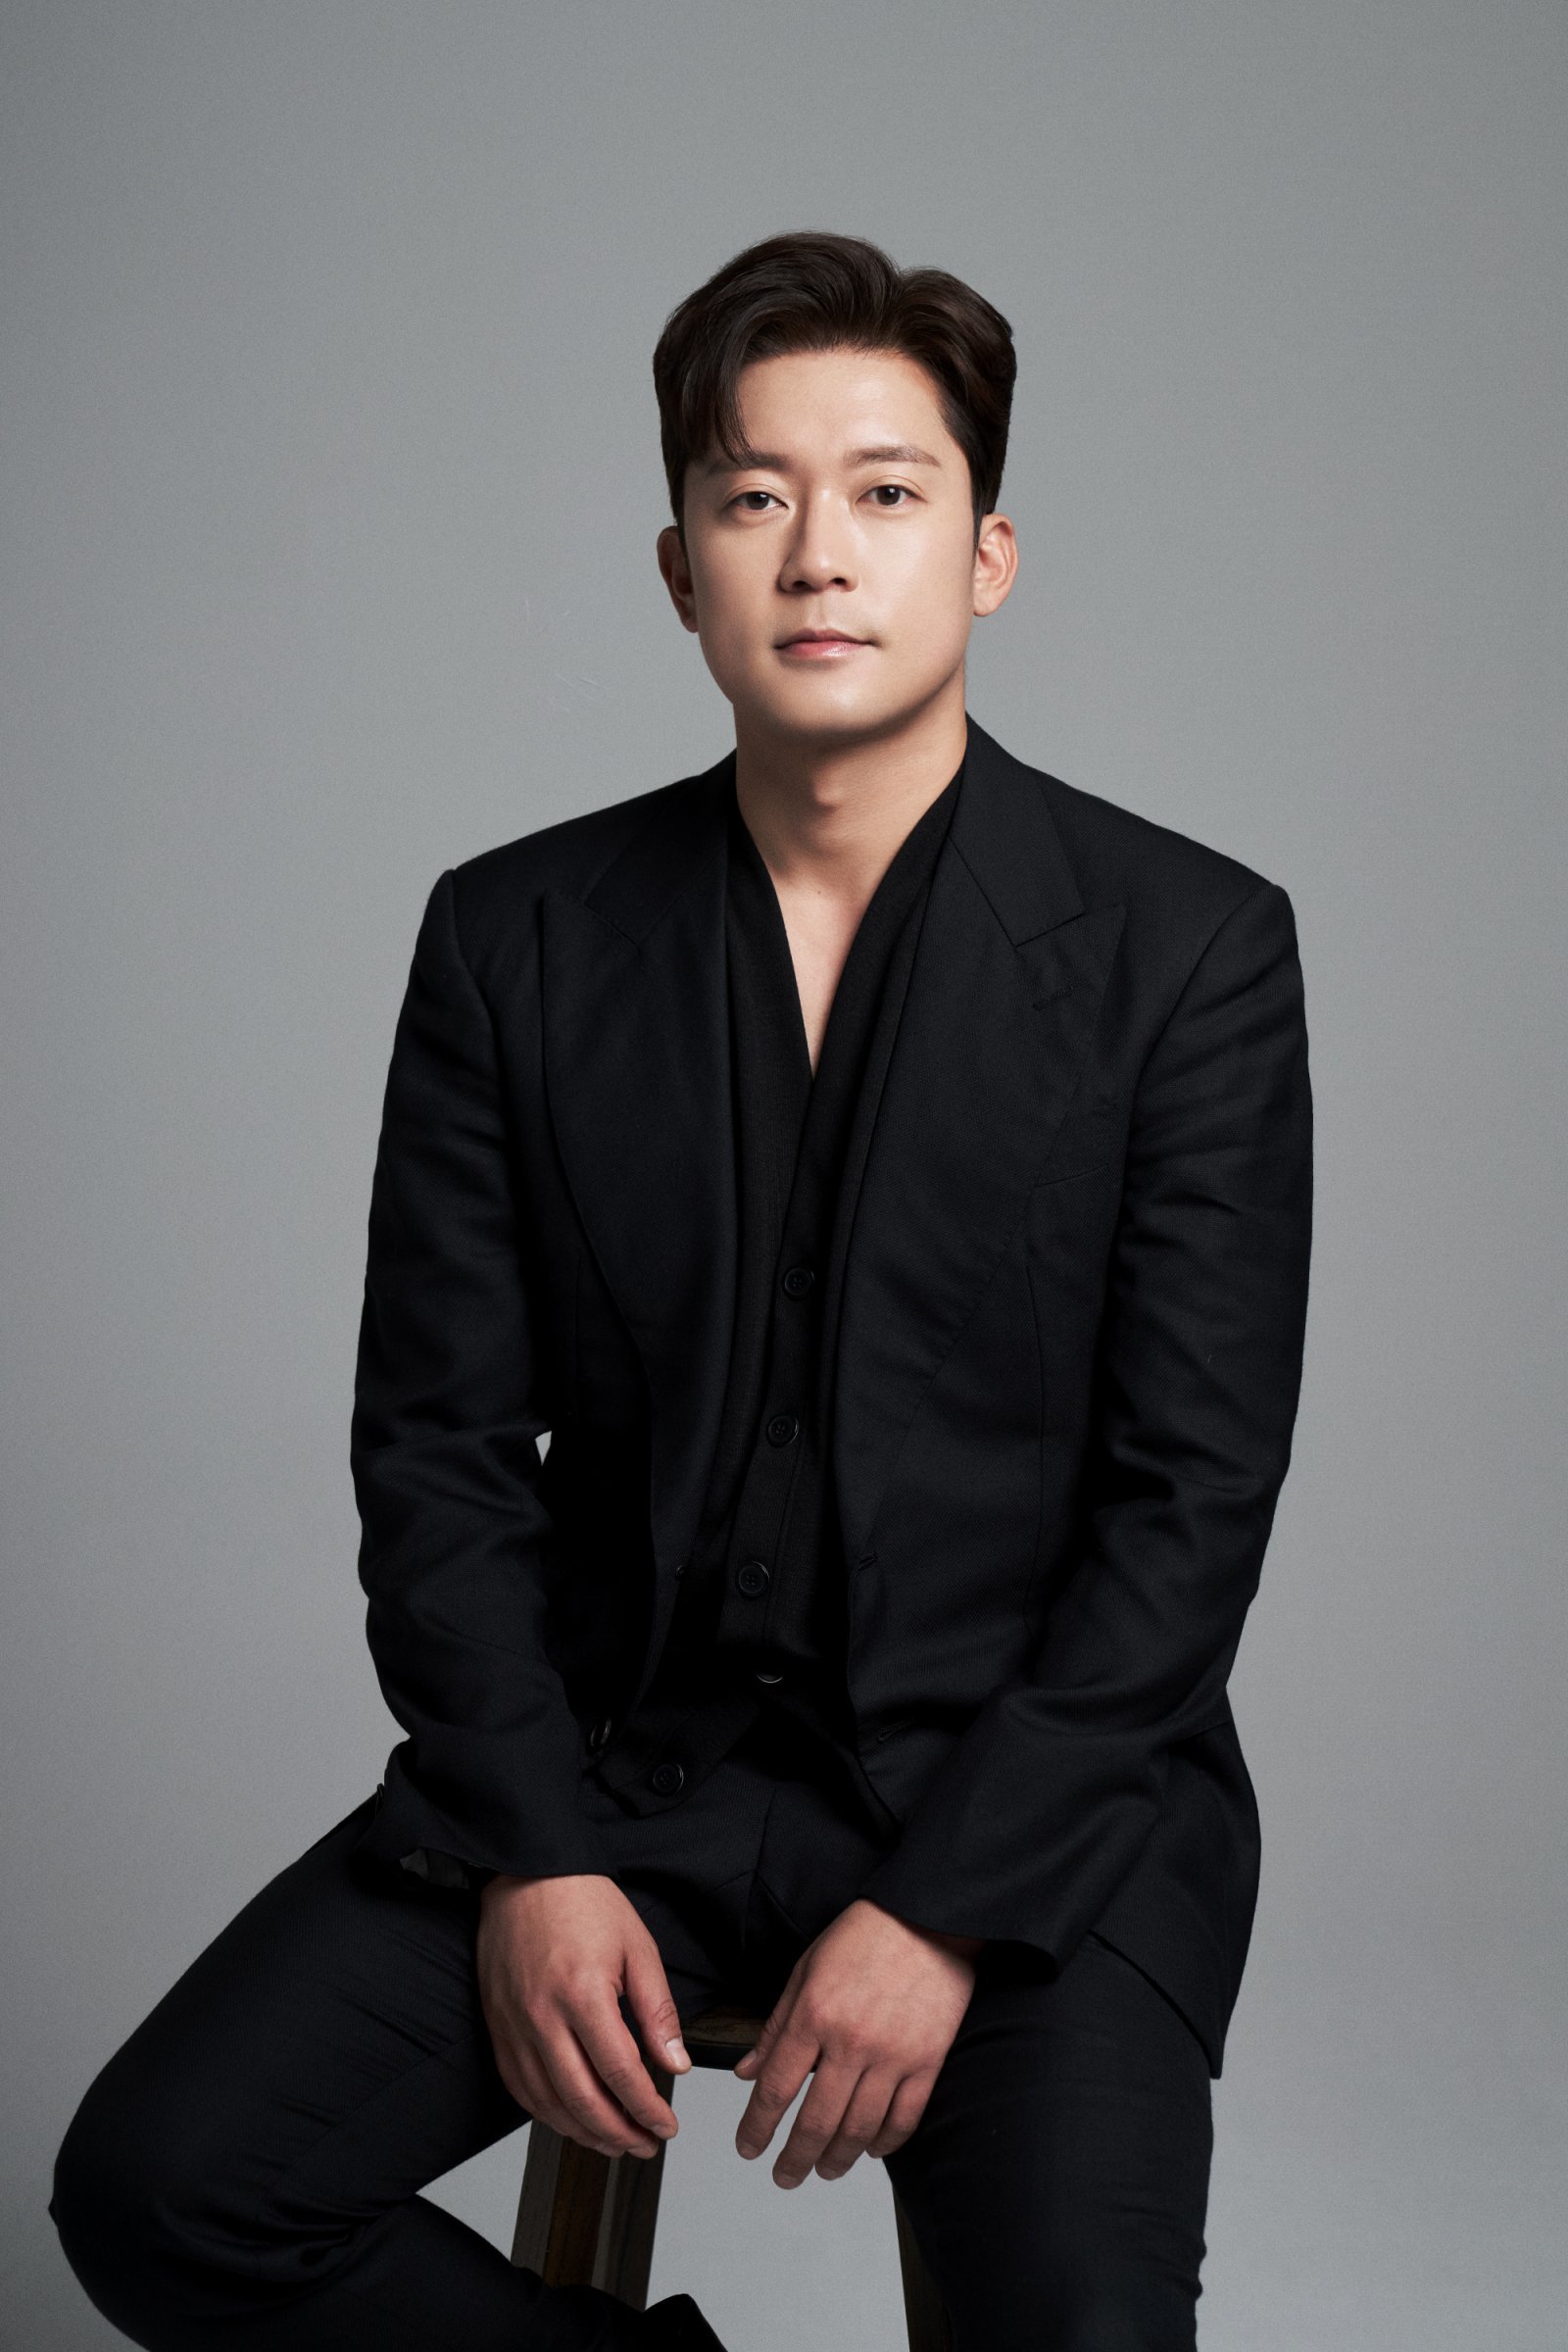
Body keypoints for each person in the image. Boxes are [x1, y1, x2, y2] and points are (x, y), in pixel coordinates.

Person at [50, 228, 1313, 2351]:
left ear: (988, 555)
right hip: (610, 1772)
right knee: (163, 2190)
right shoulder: (516, 940)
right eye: (753, 497)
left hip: (1024, 1810)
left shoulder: (1188, 950)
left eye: (887, 491)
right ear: (678, 570)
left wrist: (941, 1909)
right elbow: (439, 1455)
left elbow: (1186, 1511)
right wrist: (533, 1849)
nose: (819, 552)